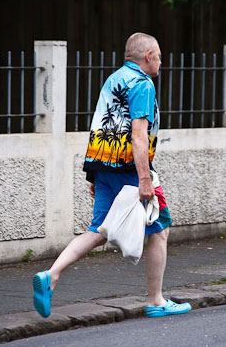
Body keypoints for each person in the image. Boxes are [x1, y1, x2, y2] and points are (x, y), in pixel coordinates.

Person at [32, 33, 191, 319]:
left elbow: (102, 124)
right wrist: (145, 179)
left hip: (103, 164)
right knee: (160, 229)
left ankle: (50, 275)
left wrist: (95, 173)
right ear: (148, 57)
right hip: (130, 168)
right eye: (159, 55)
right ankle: (156, 300)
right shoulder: (143, 84)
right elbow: (138, 135)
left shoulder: (114, 78)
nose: (161, 61)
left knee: (98, 230)